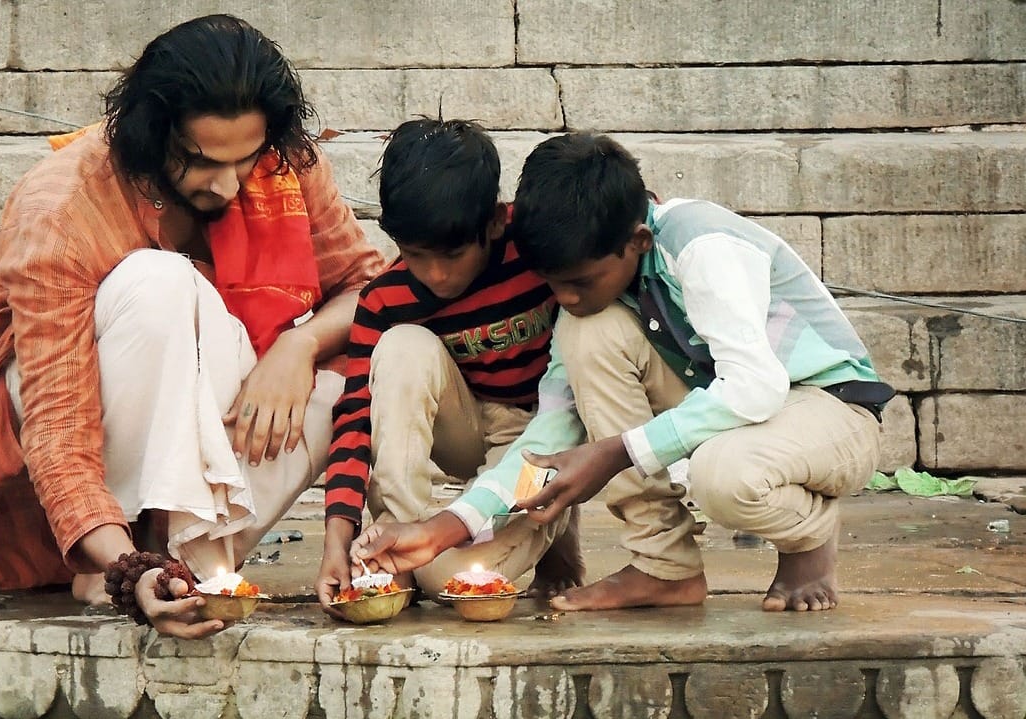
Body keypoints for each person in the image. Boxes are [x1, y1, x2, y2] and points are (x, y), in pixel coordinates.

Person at [0, 14, 385, 638]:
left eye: (247, 158)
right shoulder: (63, 211)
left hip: (211, 438)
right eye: (204, 162)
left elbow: (372, 291)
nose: (230, 185)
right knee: (162, 282)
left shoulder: (285, 166)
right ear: (156, 135)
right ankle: (131, 558)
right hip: (75, 448)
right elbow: (59, 428)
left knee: (346, 385)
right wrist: (126, 566)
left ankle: (187, 563)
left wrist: (300, 342)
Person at [353, 132, 892, 613]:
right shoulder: (593, 306)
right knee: (591, 334)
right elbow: (548, 440)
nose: (564, 299)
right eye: (553, 284)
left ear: (637, 242)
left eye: (580, 283)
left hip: (830, 408)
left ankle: (810, 539)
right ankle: (666, 566)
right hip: (746, 414)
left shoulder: (701, 246)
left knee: (724, 476)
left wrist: (612, 452)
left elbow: (755, 386)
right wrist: (448, 526)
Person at [317, 118, 583, 618]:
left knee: (450, 580)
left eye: (454, 255)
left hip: (540, 435)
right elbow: (354, 419)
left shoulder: (536, 249)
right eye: (417, 255)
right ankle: (395, 539)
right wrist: (338, 537)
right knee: (401, 347)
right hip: (461, 421)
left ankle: (555, 518)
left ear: (496, 223)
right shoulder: (386, 298)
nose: (436, 274)